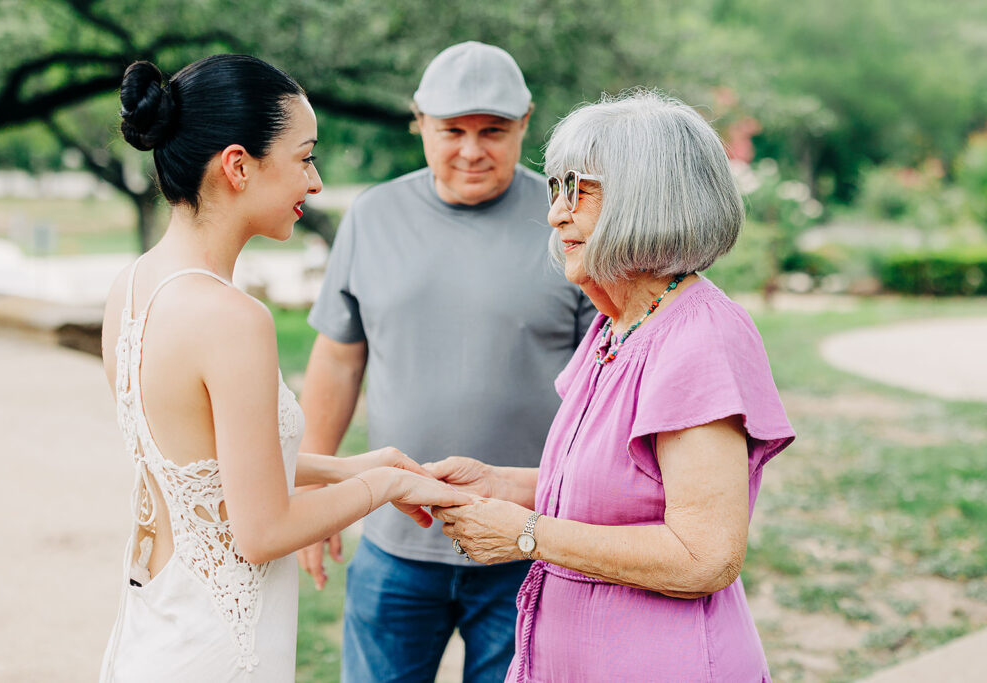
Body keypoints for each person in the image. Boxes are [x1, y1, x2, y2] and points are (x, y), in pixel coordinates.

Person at [98, 54, 468, 682]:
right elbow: (262, 529)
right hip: (216, 652)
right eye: (304, 157)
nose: (316, 182)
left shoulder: (132, 286)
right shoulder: (233, 319)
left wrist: (353, 466)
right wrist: (389, 488)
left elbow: (204, 467)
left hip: (154, 635)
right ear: (238, 165)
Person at [429, 89, 796, 682]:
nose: (555, 214)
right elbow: (623, 493)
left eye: (579, 191)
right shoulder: (617, 322)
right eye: (555, 190)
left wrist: (526, 534)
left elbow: (704, 556)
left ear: (645, 199)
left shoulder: (698, 338)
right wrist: (504, 484)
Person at [298, 42, 597, 682]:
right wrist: (316, 491)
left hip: (529, 539)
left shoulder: (567, 222)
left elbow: (602, 385)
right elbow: (338, 360)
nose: (471, 150)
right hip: (393, 544)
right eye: (451, 131)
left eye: (493, 131)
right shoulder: (373, 216)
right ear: (419, 123)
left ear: (525, 124)